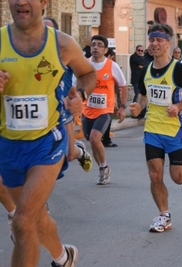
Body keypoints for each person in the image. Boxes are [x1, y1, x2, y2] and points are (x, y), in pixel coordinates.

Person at [0, 1, 97, 266]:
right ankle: (64, 257)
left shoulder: (62, 44)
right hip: (8, 144)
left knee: (21, 222)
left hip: (48, 142)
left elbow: (88, 73)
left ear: (43, 3)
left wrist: (81, 95)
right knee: (37, 218)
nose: (21, 2)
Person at [129, 23, 182, 233]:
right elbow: (143, 96)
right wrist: (137, 106)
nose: (155, 43)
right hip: (152, 129)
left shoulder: (178, 69)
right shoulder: (147, 69)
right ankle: (164, 216)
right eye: (152, 39)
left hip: (174, 130)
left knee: (177, 177)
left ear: (169, 44)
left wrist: (178, 106)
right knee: (154, 174)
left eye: (159, 40)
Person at [43, 17, 93, 170]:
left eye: (49, 30)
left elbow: (87, 74)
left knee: (70, 154)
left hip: (64, 108)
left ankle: (80, 150)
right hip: (42, 112)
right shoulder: (31, 52)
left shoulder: (66, 51)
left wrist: (79, 95)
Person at [79, 35, 128, 185]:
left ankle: (103, 167)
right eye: (93, 44)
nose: (95, 47)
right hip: (87, 110)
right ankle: (102, 166)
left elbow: (123, 85)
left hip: (105, 110)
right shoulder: (84, 64)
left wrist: (122, 107)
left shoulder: (111, 65)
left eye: (100, 45)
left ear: (106, 50)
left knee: (95, 138)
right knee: (92, 141)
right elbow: (76, 85)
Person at [102, 47, 119, 147]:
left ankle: (105, 138)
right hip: (107, 99)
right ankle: (105, 139)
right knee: (107, 120)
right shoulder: (110, 66)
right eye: (112, 57)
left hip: (107, 99)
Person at [129, 45, 147, 119]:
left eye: (141, 51)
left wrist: (143, 65)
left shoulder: (141, 58)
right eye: (138, 50)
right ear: (136, 50)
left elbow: (145, 64)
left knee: (143, 96)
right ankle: (135, 113)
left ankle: (141, 113)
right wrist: (144, 64)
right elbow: (145, 64)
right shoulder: (134, 57)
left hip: (142, 80)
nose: (140, 52)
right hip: (136, 80)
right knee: (137, 95)